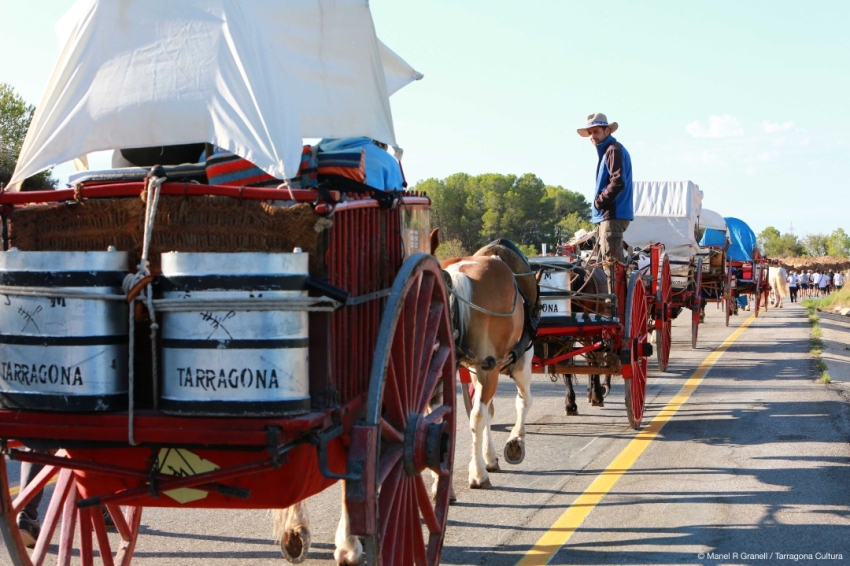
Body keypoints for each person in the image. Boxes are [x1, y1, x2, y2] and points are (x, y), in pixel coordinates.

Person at [577, 113, 633, 264]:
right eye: (590, 133)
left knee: (611, 265)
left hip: (612, 215)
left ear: (607, 131)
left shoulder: (613, 150)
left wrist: (599, 202)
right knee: (608, 263)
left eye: (596, 131)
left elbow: (618, 182)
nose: (592, 136)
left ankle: (614, 289)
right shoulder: (610, 150)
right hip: (610, 215)